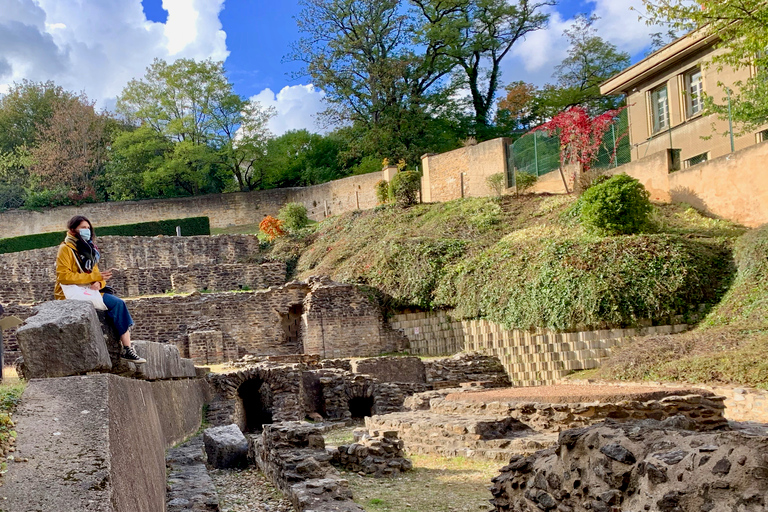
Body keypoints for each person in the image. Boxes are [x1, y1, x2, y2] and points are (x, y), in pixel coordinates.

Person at [54, 215, 146, 364]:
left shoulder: (89, 249)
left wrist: (99, 282)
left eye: (88, 228)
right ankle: (127, 348)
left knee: (118, 303)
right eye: (83, 228)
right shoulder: (65, 249)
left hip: (88, 289)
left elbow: (97, 276)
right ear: (73, 229)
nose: (87, 231)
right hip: (70, 292)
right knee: (117, 304)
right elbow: (63, 277)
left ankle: (128, 348)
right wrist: (92, 278)